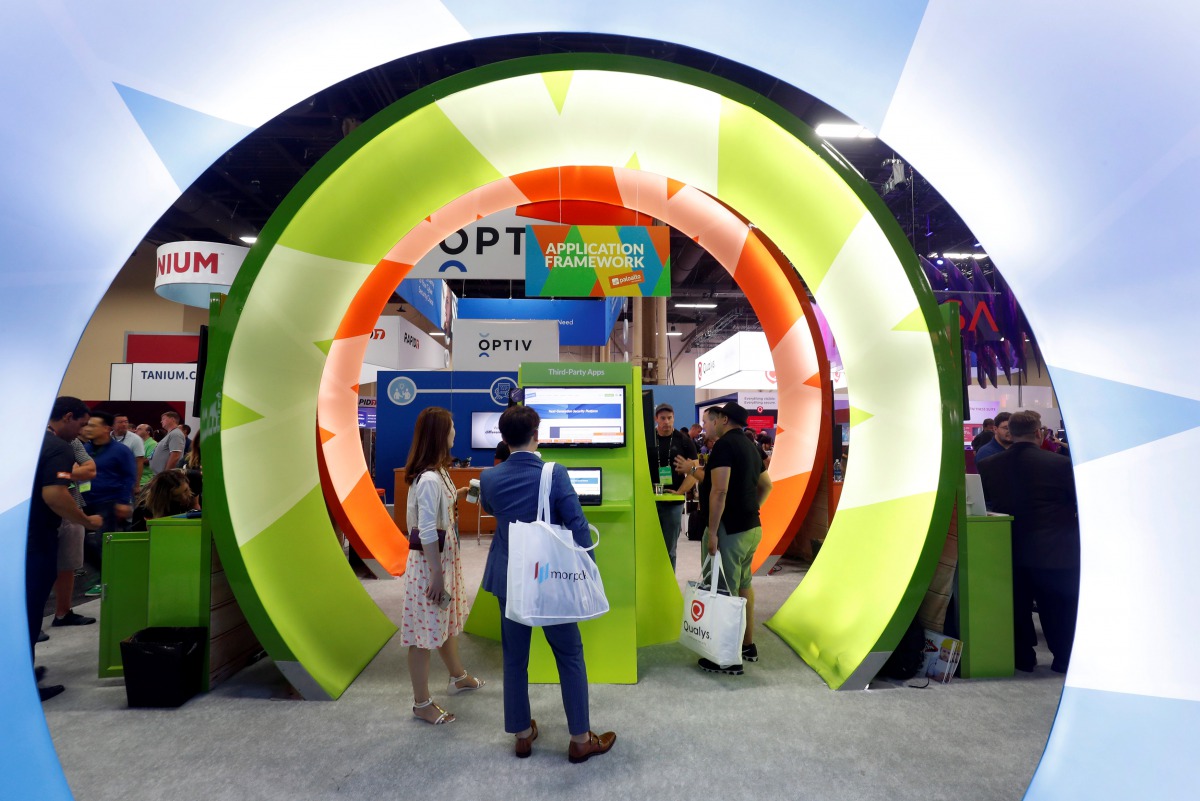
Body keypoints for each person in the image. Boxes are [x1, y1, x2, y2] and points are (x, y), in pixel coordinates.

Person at [479, 404, 616, 762]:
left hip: (509, 576)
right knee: (569, 654)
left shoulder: (489, 478)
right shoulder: (554, 473)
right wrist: (589, 569)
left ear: (503, 438)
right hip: (550, 578)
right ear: (536, 434)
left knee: (514, 658)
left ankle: (522, 735)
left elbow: (492, 510)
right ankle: (580, 739)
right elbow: (577, 523)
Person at [978, 411, 1080, 674]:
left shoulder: (989, 465)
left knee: (1017, 609)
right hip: (1056, 550)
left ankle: (1023, 658)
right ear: (1038, 432)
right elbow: (1077, 503)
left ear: (1010, 432)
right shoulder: (1060, 464)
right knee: (1059, 610)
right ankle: (1064, 660)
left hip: (1010, 549)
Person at [400, 407, 484, 726]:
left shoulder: (440, 474)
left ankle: (457, 677)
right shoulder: (430, 479)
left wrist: (459, 494)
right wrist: (436, 576)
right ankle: (421, 703)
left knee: (445, 622)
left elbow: (437, 511)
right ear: (440, 434)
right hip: (430, 567)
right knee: (422, 635)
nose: (455, 432)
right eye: (451, 427)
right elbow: (425, 530)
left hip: (442, 564)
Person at [29, 397, 103, 701]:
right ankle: (22, 683)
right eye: (81, 424)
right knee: (30, 610)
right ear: (68, 416)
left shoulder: (29, 442)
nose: (82, 432)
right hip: (36, 540)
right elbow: (55, 495)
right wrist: (86, 520)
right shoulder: (58, 448)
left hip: (17, 537)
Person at [694, 402, 772, 675]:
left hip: (729, 531)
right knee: (743, 586)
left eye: (711, 420)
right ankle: (747, 645)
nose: (709, 425)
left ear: (724, 420)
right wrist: (750, 509)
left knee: (723, 591)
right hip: (751, 528)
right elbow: (767, 485)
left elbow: (719, 491)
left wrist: (713, 532)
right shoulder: (751, 446)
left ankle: (726, 658)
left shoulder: (724, 446)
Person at [50, 434, 97, 628]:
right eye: (81, 422)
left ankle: (63, 612)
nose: (83, 429)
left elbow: (89, 469)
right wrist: (72, 470)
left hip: (72, 508)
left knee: (68, 565)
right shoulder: (33, 439)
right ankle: (28, 621)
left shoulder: (73, 441)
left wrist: (62, 474)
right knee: (37, 566)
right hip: (42, 512)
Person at [81, 410, 137, 570]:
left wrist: (123, 502)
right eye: (87, 425)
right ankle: (102, 571)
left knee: (103, 541)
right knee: (80, 541)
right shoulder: (84, 449)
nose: (88, 429)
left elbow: (129, 477)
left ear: (106, 428)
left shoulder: (121, 451)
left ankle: (108, 575)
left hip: (108, 501)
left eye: (93, 425)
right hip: (84, 501)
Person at [646, 403, 697, 571]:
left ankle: (668, 580)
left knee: (669, 549)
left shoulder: (684, 441)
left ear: (674, 418)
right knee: (648, 546)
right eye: (663, 418)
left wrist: (681, 491)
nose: (666, 422)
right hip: (649, 500)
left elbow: (695, 471)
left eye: (670, 418)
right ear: (656, 419)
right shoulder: (647, 438)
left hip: (673, 501)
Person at [130, 470, 200, 531]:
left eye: (186, 490)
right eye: (176, 496)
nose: (184, 498)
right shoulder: (148, 506)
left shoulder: (194, 478)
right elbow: (155, 530)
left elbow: (194, 506)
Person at [112, 413, 146, 486]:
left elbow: (139, 462)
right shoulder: (106, 437)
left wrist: (137, 484)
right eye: (120, 422)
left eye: (126, 422)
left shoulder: (136, 439)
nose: (124, 424)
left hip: (126, 481)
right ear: (112, 425)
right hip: (108, 480)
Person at [135, 423, 157, 488]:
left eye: (139, 429)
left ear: (148, 432)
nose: (136, 430)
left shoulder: (153, 444)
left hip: (145, 481)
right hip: (136, 479)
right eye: (136, 429)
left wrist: (131, 460)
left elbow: (149, 461)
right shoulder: (138, 443)